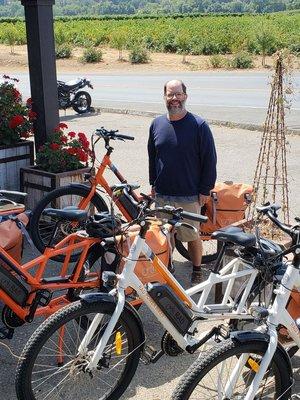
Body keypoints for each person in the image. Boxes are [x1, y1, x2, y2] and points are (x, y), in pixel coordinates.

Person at [147, 79, 217, 284]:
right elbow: (153, 156)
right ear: (165, 97)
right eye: (170, 94)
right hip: (163, 192)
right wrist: (153, 183)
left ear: (185, 96)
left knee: (192, 235)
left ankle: (197, 269)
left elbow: (209, 159)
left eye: (178, 94)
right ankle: (168, 268)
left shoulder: (199, 125)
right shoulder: (156, 124)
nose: (174, 99)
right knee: (164, 235)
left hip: (189, 192)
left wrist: (205, 189)